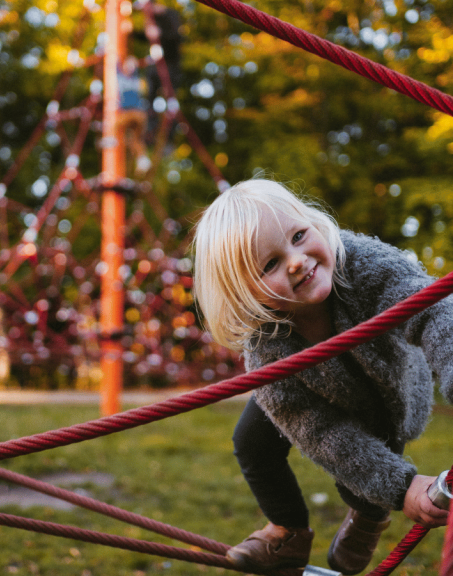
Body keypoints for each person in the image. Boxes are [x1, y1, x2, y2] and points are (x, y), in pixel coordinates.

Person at [191, 177, 451, 575]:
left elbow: (435, 313)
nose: (296, 260)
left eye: (298, 235)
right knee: (252, 443)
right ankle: (288, 531)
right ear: (245, 294)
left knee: (370, 460)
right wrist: (405, 489)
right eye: (271, 264)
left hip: (386, 389)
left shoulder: (366, 264)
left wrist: (398, 489)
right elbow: (323, 433)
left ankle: (367, 516)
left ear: (314, 223)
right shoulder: (267, 347)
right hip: (310, 389)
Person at [117, 55, 151, 176]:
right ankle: (143, 159)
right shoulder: (138, 80)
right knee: (134, 139)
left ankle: (109, 140)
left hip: (131, 112)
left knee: (112, 125)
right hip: (141, 115)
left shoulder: (123, 78)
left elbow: (115, 64)